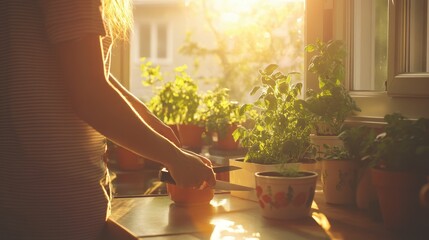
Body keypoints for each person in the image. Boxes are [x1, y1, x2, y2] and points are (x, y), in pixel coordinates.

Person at [0, 1, 216, 239]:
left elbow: (89, 71)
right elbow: (90, 92)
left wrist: (156, 129)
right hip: (52, 210)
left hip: (30, 203)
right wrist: (173, 158)